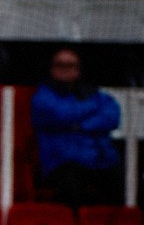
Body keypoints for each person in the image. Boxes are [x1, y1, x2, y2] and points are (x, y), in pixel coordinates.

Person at [32, 48, 124, 207]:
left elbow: (111, 116)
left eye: (70, 65)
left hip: (98, 160)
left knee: (124, 181)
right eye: (60, 65)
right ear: (52, 69)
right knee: (71, 184)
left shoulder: (92, 93)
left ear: (78, 70)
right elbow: (62, 114)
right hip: (61, 162)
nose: (65, 69)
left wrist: (82, 126)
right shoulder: (42, 97)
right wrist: (93, 108)